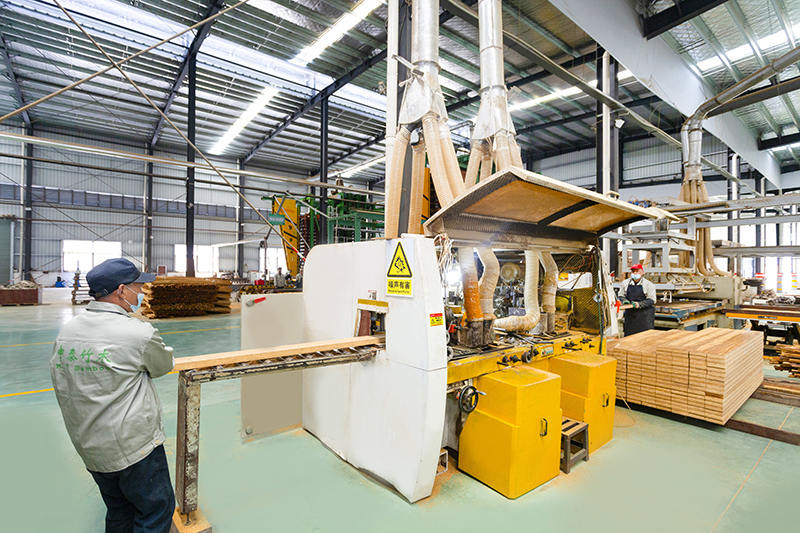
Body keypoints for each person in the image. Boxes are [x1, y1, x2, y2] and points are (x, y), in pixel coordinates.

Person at [49, 258, 175, 533]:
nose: (142, 293)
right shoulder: (137, 333)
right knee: (155, 511)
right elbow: (162, 365)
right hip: (134, 448)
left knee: (119, 510)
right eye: (138, 287)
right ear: (121, 290)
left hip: (90, 446)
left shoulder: (67, 333)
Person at [617, 263, 656, 336]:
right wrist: (624, 301)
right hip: (630, 316)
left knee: (645, 337)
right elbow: (620, 295)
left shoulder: (648, 284)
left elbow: (652, 300)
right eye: (633, 271)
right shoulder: (625, 283)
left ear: (642, 272)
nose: (635, 273)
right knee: (629, 337)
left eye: (637, 271)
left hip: (644, 317)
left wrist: (639, 304)